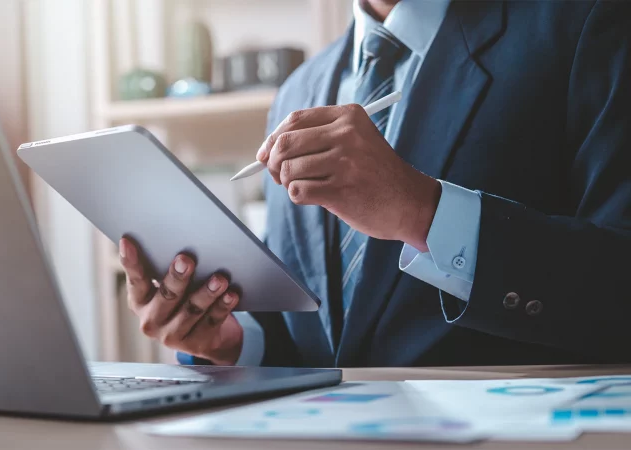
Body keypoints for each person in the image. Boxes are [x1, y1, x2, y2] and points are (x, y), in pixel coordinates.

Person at [119, 0, 631, 368]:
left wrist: (421, 212)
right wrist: (232, 342)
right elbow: (323, 338)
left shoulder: (588, 23)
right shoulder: (296, 92)